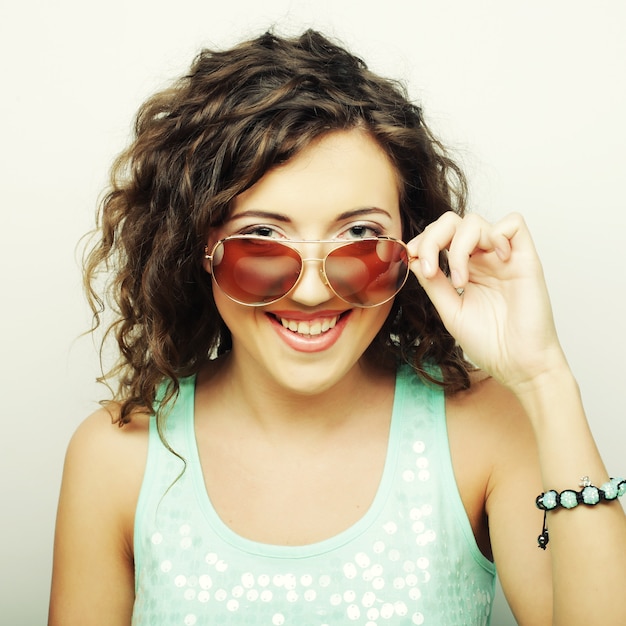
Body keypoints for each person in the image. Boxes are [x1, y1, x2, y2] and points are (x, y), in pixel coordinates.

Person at [48, 29, 626, 626]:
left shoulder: (482, 431)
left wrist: (543, 377)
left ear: (411, 244)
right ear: (197, 249)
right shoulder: (116, 457)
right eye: (262, 239)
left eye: (359, 238)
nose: (312, 289)